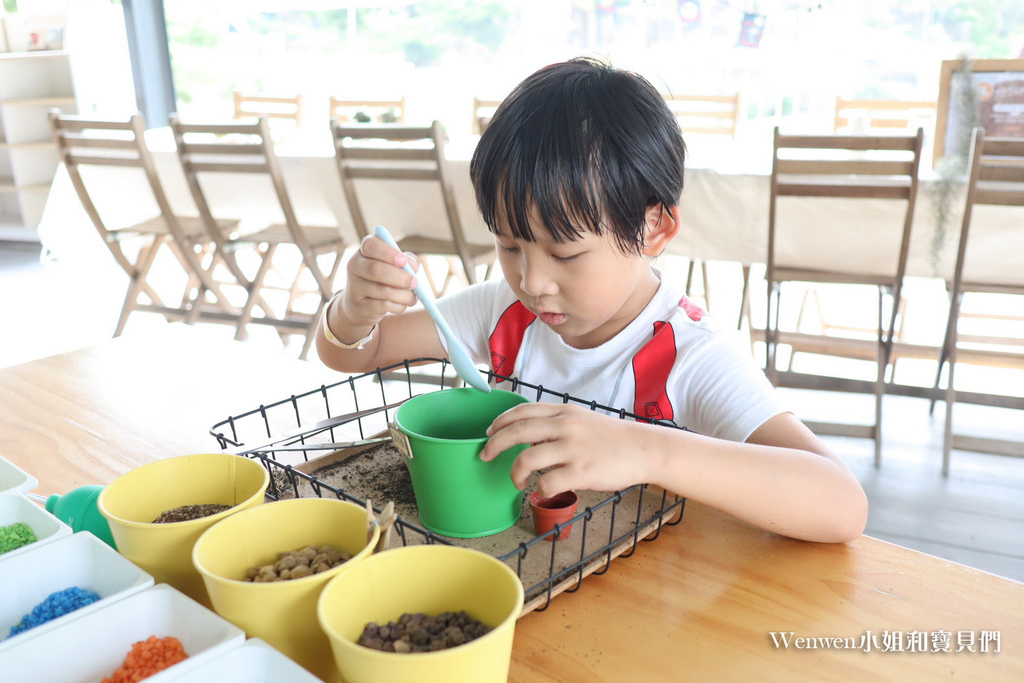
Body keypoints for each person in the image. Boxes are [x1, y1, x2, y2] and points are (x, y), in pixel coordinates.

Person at [317, 56, 867, 543]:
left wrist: (643, 448)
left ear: (654, 227)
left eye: (566, 254)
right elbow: (355, 352)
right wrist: (356, 309)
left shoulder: (689, 354)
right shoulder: (503, 312)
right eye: (509, 245)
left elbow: (842, 504)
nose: (532, 282)